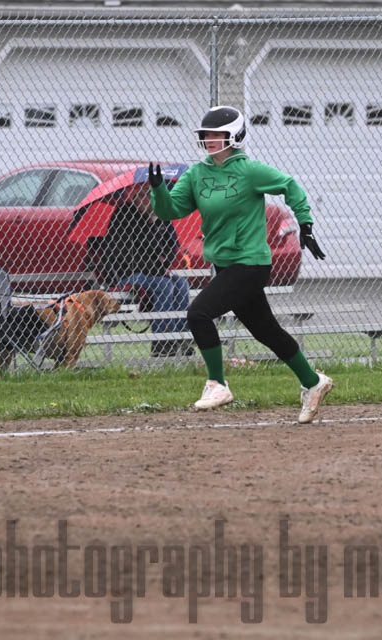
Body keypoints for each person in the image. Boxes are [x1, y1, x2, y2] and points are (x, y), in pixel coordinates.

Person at [149, 105, 333, 423]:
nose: (209, 139)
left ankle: (217, 384)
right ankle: (313, 381)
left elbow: (289, 185)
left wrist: (305, 223)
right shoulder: (196, 174)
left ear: (234, 136)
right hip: (225, 265)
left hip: (250, 263)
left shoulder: (249, 171)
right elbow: (170, 211)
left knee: (198, 313)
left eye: (216, 134)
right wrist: (158, 190)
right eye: (206, 134)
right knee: (266, 331)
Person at [95, 182, 190, 357]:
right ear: (135, 197)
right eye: (145, 195)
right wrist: (158, 265)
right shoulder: (124, 215)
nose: (151, 199)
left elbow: (170, 249)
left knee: (181, 284)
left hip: (154, 272)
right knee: (164, 285)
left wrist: (155, 223)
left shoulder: (160, 216)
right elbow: (125, 255)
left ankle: (182, 336)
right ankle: (162, 341)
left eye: (153, 194)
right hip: (126, 273)